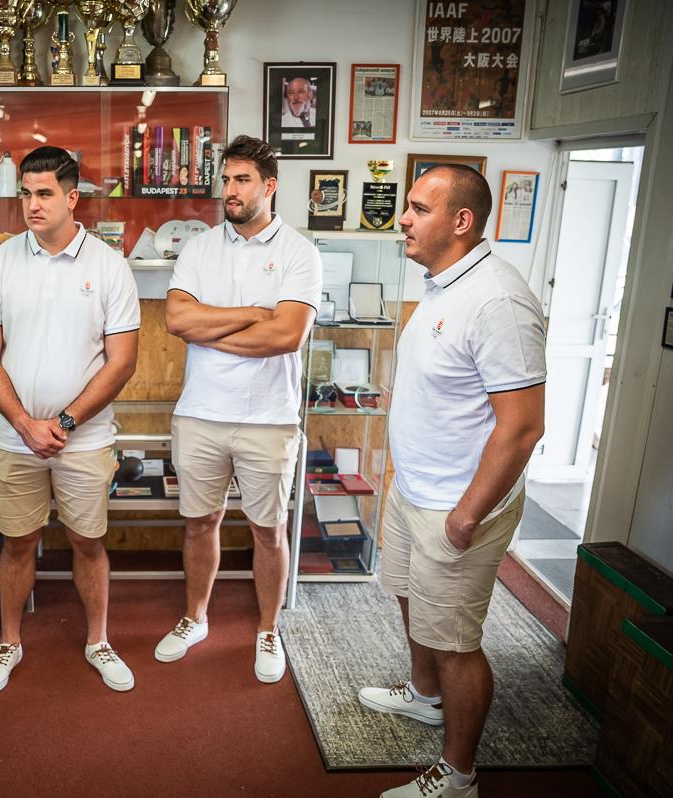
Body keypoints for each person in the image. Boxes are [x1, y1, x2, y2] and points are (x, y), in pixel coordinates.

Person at [360, 165, 546, 798]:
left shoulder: (499, 301)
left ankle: (460, 774)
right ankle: (424, 696)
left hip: (457, 506)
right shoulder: (443, 284)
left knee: (456, 644)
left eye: (418, 208)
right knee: (411, 601)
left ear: (461, 221)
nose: (403, 219)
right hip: (414, 490)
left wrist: (467, 515)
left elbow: (522, 428)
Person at [0, 145, 140, 695]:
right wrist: (24, 423)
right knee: (17, 542)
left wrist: (63, 423)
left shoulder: (109, 266)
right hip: (13, 438)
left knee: (87, 542)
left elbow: (122, 362)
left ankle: (98, 641)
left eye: (44, 194)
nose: (32, 205)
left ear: (72, 198)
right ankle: (9, 642)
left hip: (84, 440)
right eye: (26, 193)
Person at [161, 135, 322, 684]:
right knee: (199, 524)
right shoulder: (200, 248)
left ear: (269, 185)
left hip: (269, 419)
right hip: (200, 413)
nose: (229, 190)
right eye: (226, 179)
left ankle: (268, 629)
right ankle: (195, 618)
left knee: (268, 531)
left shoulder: (299, 252)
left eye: (242, 180)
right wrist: (254, 313)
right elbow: (178, 321)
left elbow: (286, 336)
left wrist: (211, 329)